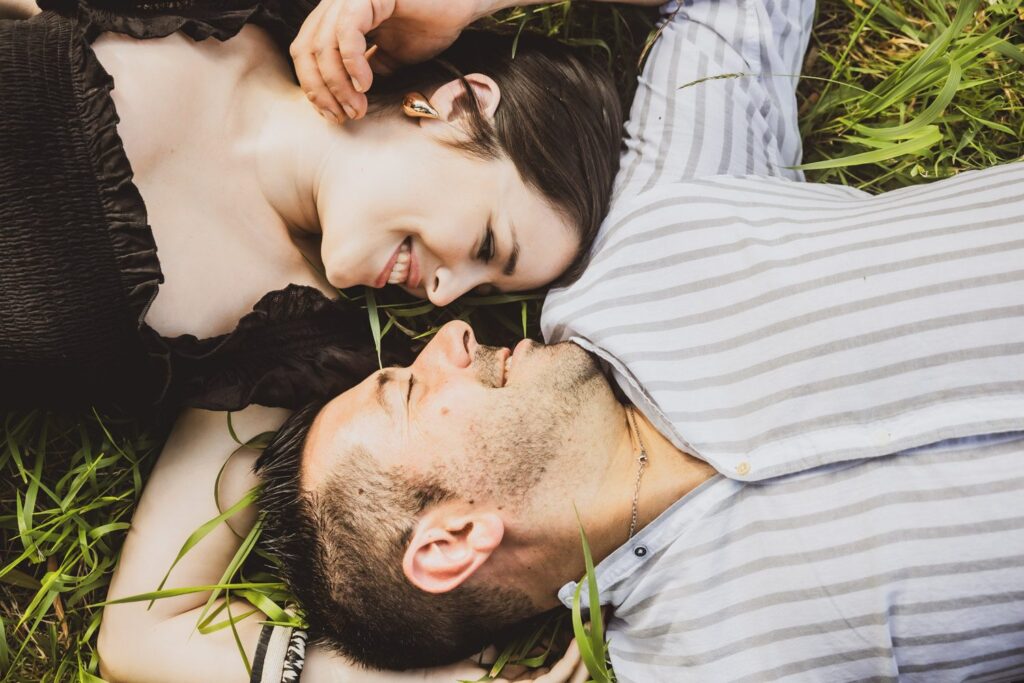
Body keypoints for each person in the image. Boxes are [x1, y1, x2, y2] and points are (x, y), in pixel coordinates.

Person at [248, 0, 1024, 679]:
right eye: (411, 389)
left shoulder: (646, 239)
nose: (449, 332)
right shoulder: (702, 663)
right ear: (451, 540)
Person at [0, 0, 623, 412]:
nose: (441, 295)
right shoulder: (210, 12)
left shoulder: (291, 355)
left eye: (479, 291)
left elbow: (157, 606)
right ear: (461, 108)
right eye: (487, 246)